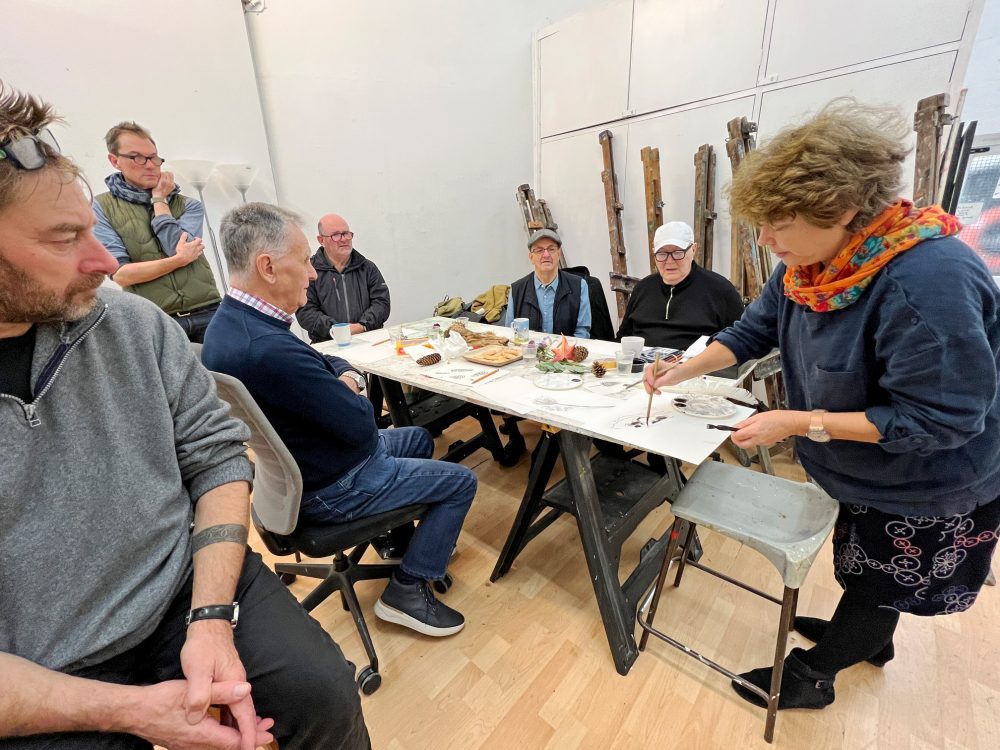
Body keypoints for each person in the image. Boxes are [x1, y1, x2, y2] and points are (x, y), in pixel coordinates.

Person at [0, 84, 369, 749]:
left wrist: (210, 618)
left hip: (182, 591)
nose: (106, 262)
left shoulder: (134, 326)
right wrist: (126, 711)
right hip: (41, 662)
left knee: (323, 694)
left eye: (92, 227)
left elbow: (220, 456)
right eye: (64, 239)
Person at [644, 100, 1000, 711]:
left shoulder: (925, 280)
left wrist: (798, 422)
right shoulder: (809, 267)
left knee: (882, 577)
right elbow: (753, 331)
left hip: (928, 479)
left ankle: (815, 673)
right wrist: (682, 368)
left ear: (839, 208)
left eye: (777, 223)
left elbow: (940, 420)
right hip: (865, 468)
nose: (765, 240)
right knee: (870, 574)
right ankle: (867, 640)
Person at [203, 202, 478, 637]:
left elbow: (316, 358)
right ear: (268, 266)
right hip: (334, 483)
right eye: (302, 261)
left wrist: (340, 373)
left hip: (305, 468)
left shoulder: (232, 324)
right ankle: (406, 590)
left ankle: (399, 542)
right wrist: (351, 382)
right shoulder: (268, 349)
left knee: (420, 439)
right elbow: (361, 422)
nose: (312, 274)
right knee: (461, 482)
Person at [93, 121, 221, 342]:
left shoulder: (189, 205)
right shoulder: (101, 207)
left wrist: (159, 200)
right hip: (155, 320)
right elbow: (122, 274)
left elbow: (176, 247)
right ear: (115, 161)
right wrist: (178, 261)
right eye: (137, 157)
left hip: (209, 312)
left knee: (226, 378)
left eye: (153, 157)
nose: (150, 165)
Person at [617, 220, 744, 351]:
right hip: (643, 367)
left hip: (696, 368)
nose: (670, 261)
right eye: (662, 254)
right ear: (654, 253)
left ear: (693, 249)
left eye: (678, 253)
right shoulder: (643, 288)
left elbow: (740, 343)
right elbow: (623, 337)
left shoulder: (721, 290)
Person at [295, 214, 390, 343]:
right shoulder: (310, 271)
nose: (344, 239)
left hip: (368, 339)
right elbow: (305, 311)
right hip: (328, 344)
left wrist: (362, 326)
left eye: (346, 233)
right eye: (336, 235)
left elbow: (381, 302)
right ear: (321, 240)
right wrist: (339, 329)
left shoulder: (367, 267)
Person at [503, 228, 592, 338]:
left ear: (558, 254)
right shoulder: (517, 290)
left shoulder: (579, 286)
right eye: (539, 250)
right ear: (531, 257)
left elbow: (582, 332)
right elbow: (510, 333)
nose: (546, 255)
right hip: (528, 353)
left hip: (566, 353)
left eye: (551, 249)